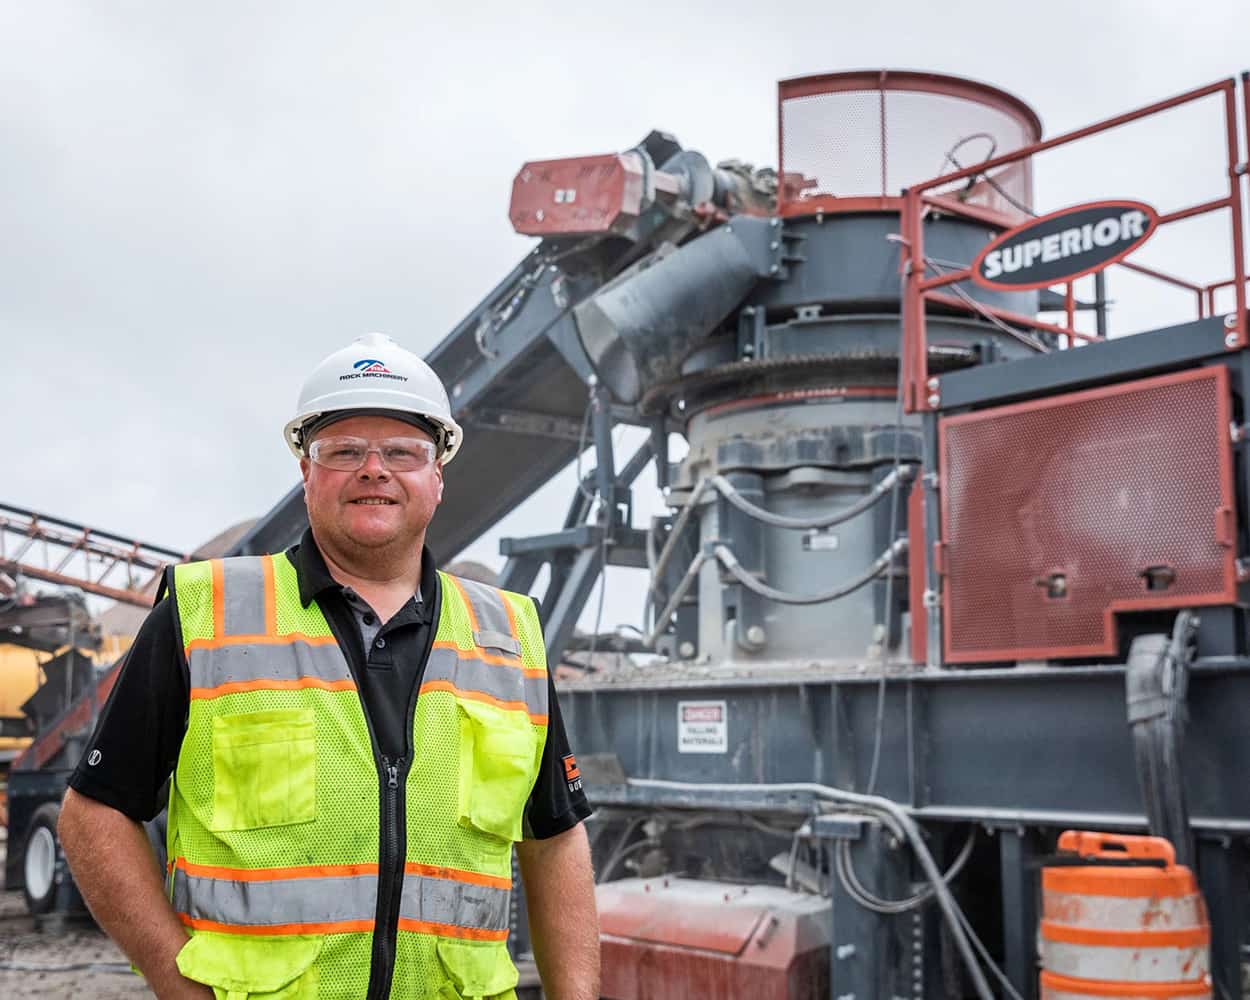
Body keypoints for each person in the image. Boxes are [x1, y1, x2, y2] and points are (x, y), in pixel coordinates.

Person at [59, 333, 600, 999]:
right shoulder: (208, 614)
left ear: (438, 476)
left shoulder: (511, 637)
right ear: (306, 474)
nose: (374, 470)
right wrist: (179, 983)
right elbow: (93, 815)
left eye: (402, 452)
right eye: (344, 452)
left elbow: (554, 840)